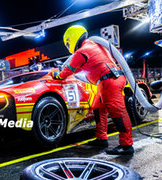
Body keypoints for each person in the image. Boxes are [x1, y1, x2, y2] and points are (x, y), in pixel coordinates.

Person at [51, 25, 134, 155]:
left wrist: (58, 75)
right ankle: (101, 138)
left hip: (109, 82)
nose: (68, 46)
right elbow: (78, 68)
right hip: (107, 81)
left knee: (118, 113)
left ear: (71, 39)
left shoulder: (82, 51)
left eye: (67, 43)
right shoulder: (94, 46)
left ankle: (126, 145)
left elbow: (70, 69)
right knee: (98, 108)